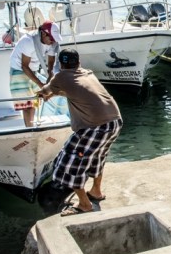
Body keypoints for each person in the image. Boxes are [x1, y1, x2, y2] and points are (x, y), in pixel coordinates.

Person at [38, 49, 122, 216]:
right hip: (115, 122)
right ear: (78, 62)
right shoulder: (87, 73)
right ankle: (96, 191)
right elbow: (76, 91)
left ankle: (85, 204)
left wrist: (43, 94)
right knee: (97, 157)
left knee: (68, 162)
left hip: (95, 126)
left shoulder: (61, 76)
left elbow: (44, 91)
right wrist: (56, 93)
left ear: (61, 64)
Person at [9, 21, 62, 127]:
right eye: (51, 39)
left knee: (34, 103)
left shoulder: (51, 42)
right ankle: (29, 130)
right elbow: (24, 66)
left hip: (33, 70)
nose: (53, 41)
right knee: (26, 106)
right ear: (43, 33)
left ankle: (31, 127)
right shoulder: (28, 41)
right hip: (19, 70)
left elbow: (51, 62)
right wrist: (41, 84)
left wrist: (49, 79)